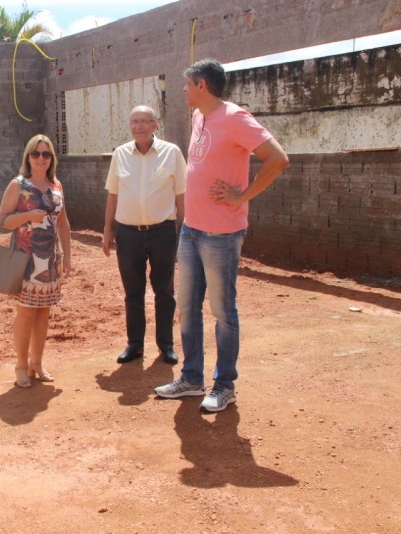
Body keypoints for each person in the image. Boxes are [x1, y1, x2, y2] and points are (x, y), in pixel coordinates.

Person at [155, 58, 289, 412]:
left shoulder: (235, 117)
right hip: (192, 229)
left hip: (221, 234)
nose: (184, 90)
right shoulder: (199, 116)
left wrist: (241, 196)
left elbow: (278, 159)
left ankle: (224, 384)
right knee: (187, 306)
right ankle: (192, 378)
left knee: (222, 310)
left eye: (188, 84)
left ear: (202, 85)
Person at [103, 105, 186, 367]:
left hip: (163, 232)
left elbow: (181, 195)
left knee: (164, 291)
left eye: (144, 122)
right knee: (133, 293)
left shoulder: (171, 154)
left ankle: (166, 346)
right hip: (128, 235)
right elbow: (113, 194)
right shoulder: (120, 155)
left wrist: (185, 231)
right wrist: (108, 230)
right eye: (134, 122)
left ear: (155, 126)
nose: (139, 126)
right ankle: (135, 345)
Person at [0, 134, 72, 388]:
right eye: (36, 154)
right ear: (28, 157)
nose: (41, 158)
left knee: (43, 314)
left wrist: (67, 257)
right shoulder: (18, 185)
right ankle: (20, 364)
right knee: (26, 313)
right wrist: (27, 214)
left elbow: (62, 222)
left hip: (50, 259)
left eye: (46, 154)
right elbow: (3, 221)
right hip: (26, 257)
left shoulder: (56, 185)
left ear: (52, 158)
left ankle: (37, 363)